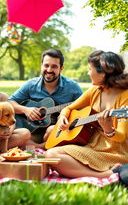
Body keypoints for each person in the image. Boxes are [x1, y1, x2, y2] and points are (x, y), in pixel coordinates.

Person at [44, 50, 128, 178]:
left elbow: (121, 137)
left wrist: (109, 129)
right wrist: (62, 118)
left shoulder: (125, 96)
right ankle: (102, 173)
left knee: (52, 156)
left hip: (116, 151)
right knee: (51, 154)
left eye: (90, 69)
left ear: (103, 73)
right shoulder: (95, 90)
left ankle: (104, 175)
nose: (88, 73)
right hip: (92, 145)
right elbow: (69, 108)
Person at [8, 49, 83, 147]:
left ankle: (38, 147)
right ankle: (39, 147)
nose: (49, 70)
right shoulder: (31, 85)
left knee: (52, 130)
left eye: (54, 66)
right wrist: (26, 110)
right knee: (21, 136)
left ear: (61, 68)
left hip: (54, 133)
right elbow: (9, 103)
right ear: (41, 65)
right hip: (31, 132)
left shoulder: (72, 87)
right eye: (46, 65)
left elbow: (83, 108)